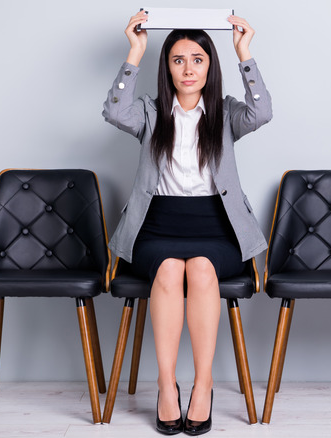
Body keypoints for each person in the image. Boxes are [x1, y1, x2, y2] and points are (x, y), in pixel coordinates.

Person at [102, 10, 272, 436]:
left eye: (197, 59)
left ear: (210, 66)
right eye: (178, 60)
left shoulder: (227, 113)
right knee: (169, 268)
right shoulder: (150, 112)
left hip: (217, 226)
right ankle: (164, 385)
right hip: (157, 225)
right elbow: (114, 110)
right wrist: (135, 51)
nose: (188, 69)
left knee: (199, 268)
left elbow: (263, 112)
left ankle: (203, 383)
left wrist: (244, 53)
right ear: (168, 68)